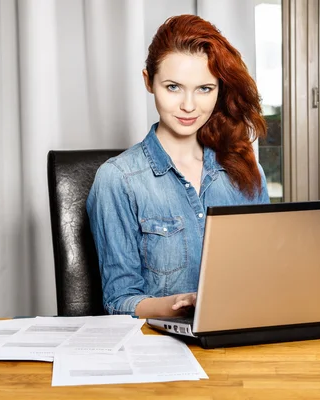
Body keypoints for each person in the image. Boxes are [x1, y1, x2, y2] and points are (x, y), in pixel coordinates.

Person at [86, 14, 270, 318]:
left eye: (204, 89)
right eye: (173, 87)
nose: (188, 106)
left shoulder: (248, 171)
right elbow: (119, 301)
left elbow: (267, 274)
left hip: (242, 343)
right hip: (160, 352)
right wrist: (183, 304)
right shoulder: (117, 180)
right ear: (149, 82)